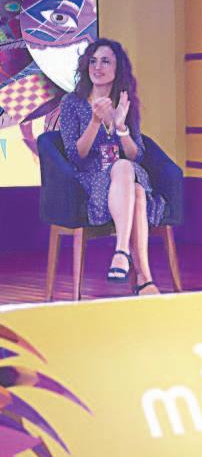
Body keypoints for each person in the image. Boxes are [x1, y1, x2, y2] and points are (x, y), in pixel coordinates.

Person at [59, 38, 165, 295]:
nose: (97, 67)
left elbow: (137, 154)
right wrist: (95, 121)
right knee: (136, 190)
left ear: (118, 69)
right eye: (93, 61)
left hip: (124, 178)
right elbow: (76, 156)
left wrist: (121, 127)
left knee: (125, 168)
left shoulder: (125, 102)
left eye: (105, 61)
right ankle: (144, 279)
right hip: (91, 179)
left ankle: (122, 254)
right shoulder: (72, 103)